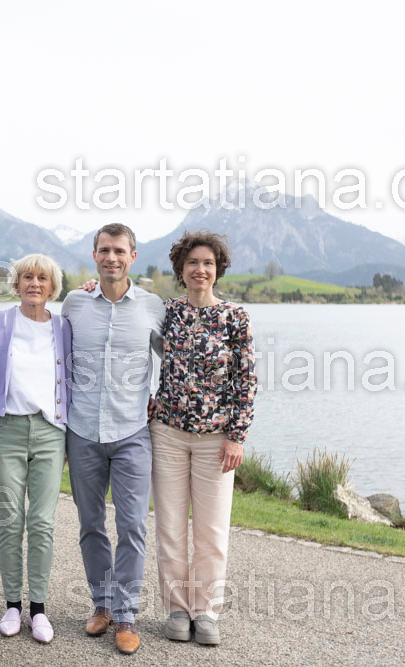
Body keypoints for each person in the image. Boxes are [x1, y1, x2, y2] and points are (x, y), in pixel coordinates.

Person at [61, 223, 164, 655]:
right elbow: (54, 355)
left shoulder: (153, 307)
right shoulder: (74, 303)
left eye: (120, 251)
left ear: (132, 256)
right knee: (90, 524)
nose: (111, 258)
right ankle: (101, 605)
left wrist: (161, 398)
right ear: (95, 255)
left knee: (133, 526)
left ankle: (126, 615)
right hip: (82, 432)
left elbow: (175, 360)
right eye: (104, 250)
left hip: (132, 433)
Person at [150, 231, 256, 646]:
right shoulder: (167, 312)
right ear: (181, 269)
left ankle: (207, 611)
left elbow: (246, 380)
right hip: (168, 435)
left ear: (218, 269)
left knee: (211, 530)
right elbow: (128, 335)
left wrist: (237, 436)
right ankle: (177, 609)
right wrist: (91, 287)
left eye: (208, 263)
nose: (200, 269)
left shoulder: (234, 317)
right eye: (193, 262)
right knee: (171, 528)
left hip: (216, 440)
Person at [0, 253, 71, 644]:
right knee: (10, 520)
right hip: (7, 430)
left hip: (50, 432)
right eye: (27, 277)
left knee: (42, 523)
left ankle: (38, 610)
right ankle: (12, 606)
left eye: (42, 278)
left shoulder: (64, 327)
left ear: (53, 287)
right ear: (16, 284)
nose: (35, 284)